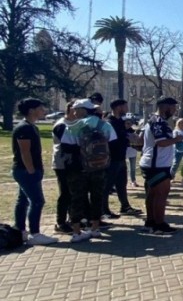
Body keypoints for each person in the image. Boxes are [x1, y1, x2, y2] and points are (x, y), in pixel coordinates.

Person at [61, 98, 118, 242]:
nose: (74, 112)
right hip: (99, 167)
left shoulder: (73, 126)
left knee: (77, 198)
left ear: (82, 110)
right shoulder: (105, 125)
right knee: (97, 197)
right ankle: (95, 228)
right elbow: (113, 144)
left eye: (76, 109)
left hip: (78, 168)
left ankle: (76, 231)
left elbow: (66, 147)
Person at [12, 98, 58, 245]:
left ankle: (20, 231)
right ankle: (34, 234)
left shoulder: (31, 127)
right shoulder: (24, 128)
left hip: (29, 171)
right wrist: (31, 170)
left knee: (23, 200)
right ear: (31, 110)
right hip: (25, 171)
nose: (43, 110)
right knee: (37, 201)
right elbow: (25, 152)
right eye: (40, 108)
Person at [139, 97, 183, 235]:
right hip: (157, 164)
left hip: (154, 163)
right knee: (161, 194)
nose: (174, 110)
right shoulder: (158, 122)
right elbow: (161, 142)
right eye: (173, 107)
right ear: (165, 107)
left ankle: (150, 222)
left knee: (152, 194)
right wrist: (177, 139)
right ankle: (159, 224)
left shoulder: (153, 120)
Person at [103, 99, 140, 218]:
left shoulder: (120, 121)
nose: (127, 108)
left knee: (121, 184)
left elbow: (127, 133)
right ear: (118, 107)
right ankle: (104, 210)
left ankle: (125, 206)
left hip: (121, 157)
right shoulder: (110, 122)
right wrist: (127, 138)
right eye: (125, 106)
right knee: (107, 186)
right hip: (112, 159)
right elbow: (113, 140)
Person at [51, 102, 76, 234]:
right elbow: (67, 145)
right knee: (65, 193)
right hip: (62, 163)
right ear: (70, 109)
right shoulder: (61, 125)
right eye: (76, 109)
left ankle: (72, 219)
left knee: (72, 192)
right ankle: (60, 222)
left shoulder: (75, 124)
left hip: (72, 163)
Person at [126, 119, 141, 188]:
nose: (128, 125)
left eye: (129, 123)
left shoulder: (133, 132)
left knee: (132, 167)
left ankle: (133, 181)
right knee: (123, 168)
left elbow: (137, 141)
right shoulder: (122, 131)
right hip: (125, 151)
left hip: (132, 150)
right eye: (127, 123)